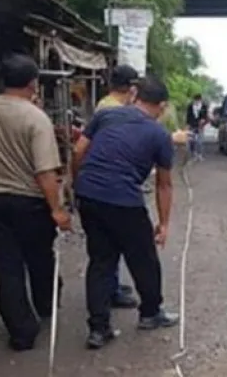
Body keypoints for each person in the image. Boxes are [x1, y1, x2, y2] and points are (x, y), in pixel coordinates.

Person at [0, 54, 71, 351]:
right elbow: (45, 171)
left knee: (8, 266)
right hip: (28, 201)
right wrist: (57, 210)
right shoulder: (36, 118)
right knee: (40, 258)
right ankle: (45, 306)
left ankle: (21, 332)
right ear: (33, 83)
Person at [72, 75, 178, 349]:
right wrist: (164, 224)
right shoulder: (159, 135)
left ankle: (98, 329)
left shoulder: (106, 116)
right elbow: (164, 184)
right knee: (144, 259)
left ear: (134, 95)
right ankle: (151, 313)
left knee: (101, 261)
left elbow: (79, 149)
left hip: (89, 196)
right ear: (162, 105)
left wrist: (77, 183)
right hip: (124, 201)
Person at [94, 64, 140, 309]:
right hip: (111, 187)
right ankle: (108, 293)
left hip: (100, 185)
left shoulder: (109, 106)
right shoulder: (113, 110)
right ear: (131, 88)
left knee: (107, 249)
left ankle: (110, 287)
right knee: (109, 249)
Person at [185, 94, 208, 160]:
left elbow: (205, 116)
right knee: (192, 141)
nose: (197, 101)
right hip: (191, 125)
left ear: (200, 100)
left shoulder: (204, 106)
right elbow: (188, 116)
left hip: (200, 125)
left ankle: (200, 154)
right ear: (194, 100)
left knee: (199, 141)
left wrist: (203, 120)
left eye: (198, 100)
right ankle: (193, 154)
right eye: (196, 100)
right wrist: (187, 124)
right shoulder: (190, 106)